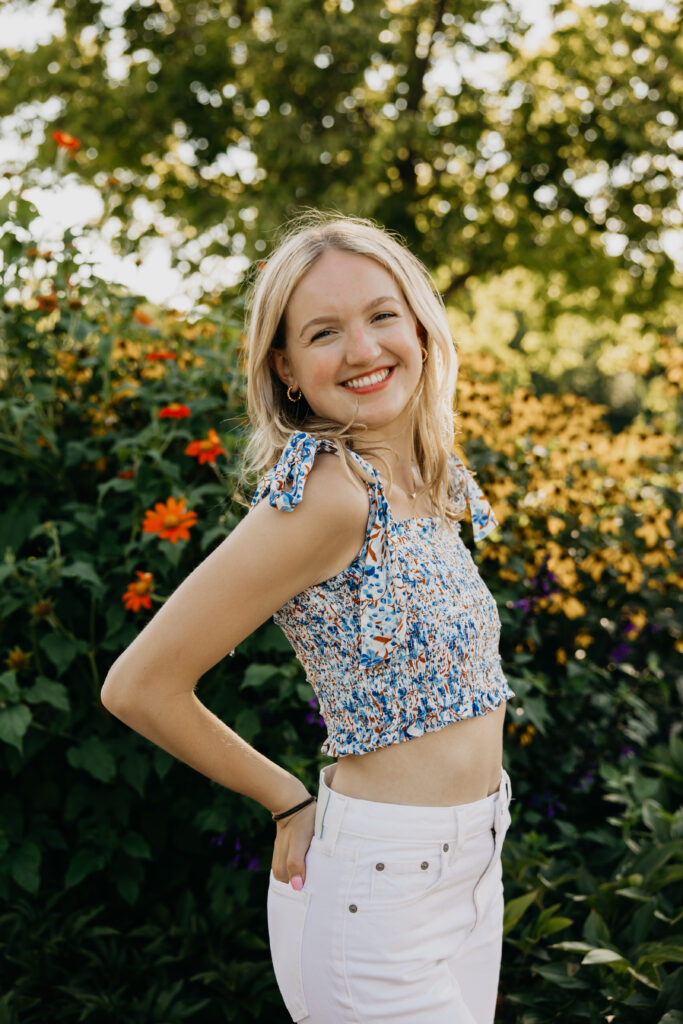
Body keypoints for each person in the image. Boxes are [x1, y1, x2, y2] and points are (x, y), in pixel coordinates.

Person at [101, 211, 516, 1024]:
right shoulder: (327, 493)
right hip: (382, 892)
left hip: (471, 870)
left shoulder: (420, 480)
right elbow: (140, 685)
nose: (362, 351)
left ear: (422, 329)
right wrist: (287, 799)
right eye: (324, 332)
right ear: (287, 368)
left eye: (381, 316)